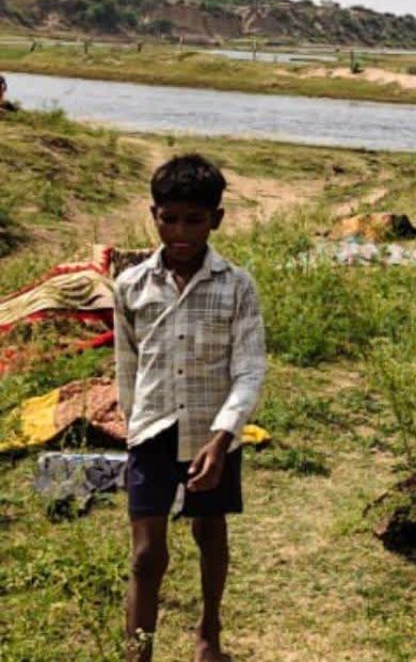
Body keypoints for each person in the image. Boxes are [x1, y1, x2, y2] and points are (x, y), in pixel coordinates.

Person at [114, 154, 267, 662]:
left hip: (211, 434)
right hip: (152, 430)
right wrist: (132, 429)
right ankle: (138, 654)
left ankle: (209, 633)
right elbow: (127, 366)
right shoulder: (131, 287)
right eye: (169, 218)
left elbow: (248, 370)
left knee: (210, 530)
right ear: (153, 214)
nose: (180, 232)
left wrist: (222, 439)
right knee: (146, 555)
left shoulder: (237, 286)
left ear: (216, 220)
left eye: (194, 220)